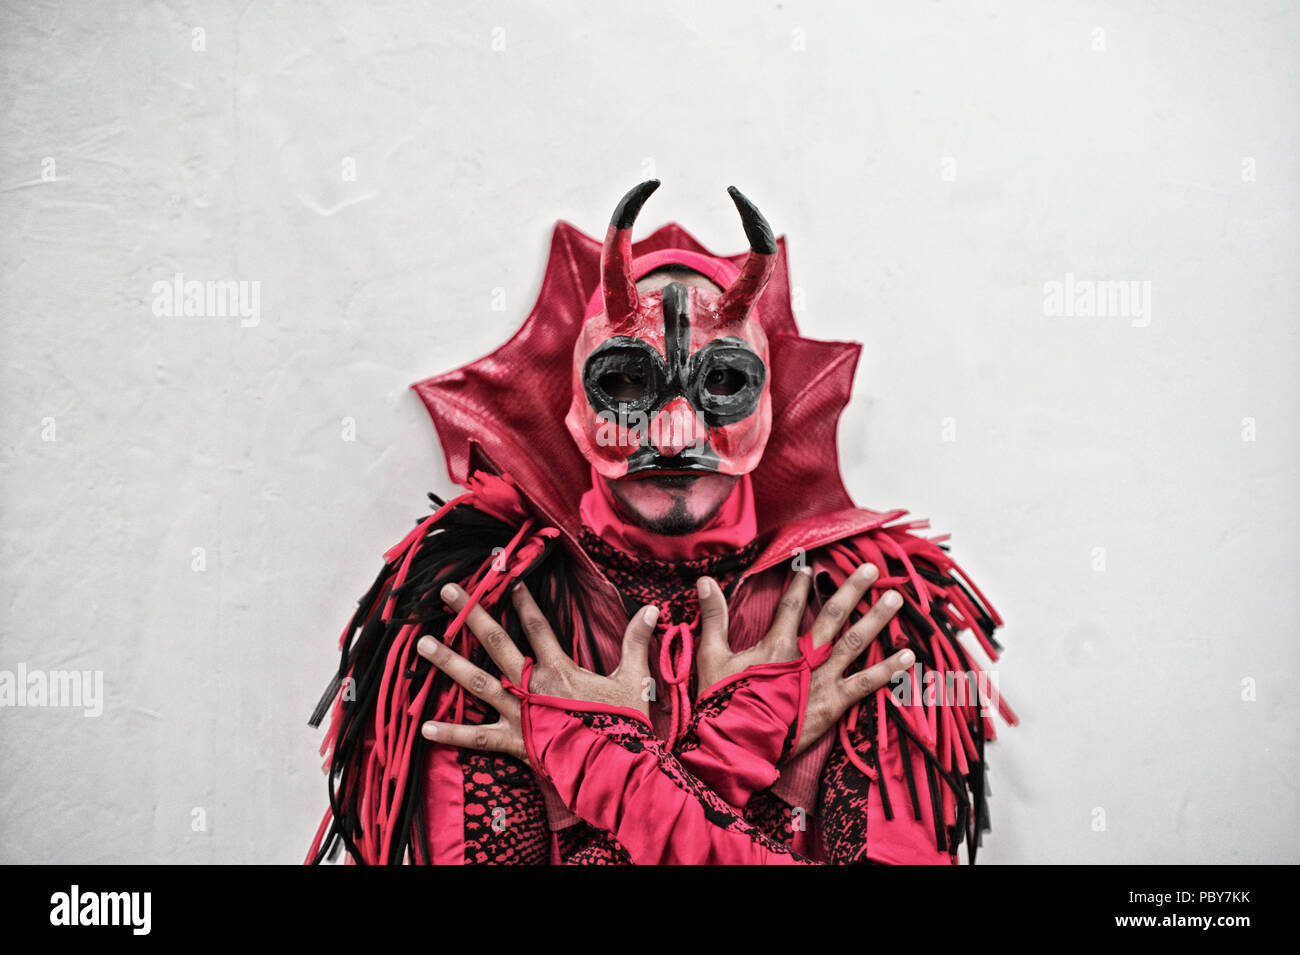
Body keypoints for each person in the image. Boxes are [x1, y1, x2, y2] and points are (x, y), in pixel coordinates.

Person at [306, 181, 1015, 865]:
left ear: (772, 410)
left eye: (723, 382)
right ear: (571, 408)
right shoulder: (493, 619)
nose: (675, 433)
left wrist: (602, 769)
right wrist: (727, 755)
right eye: (624, 381)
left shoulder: (864, 618)